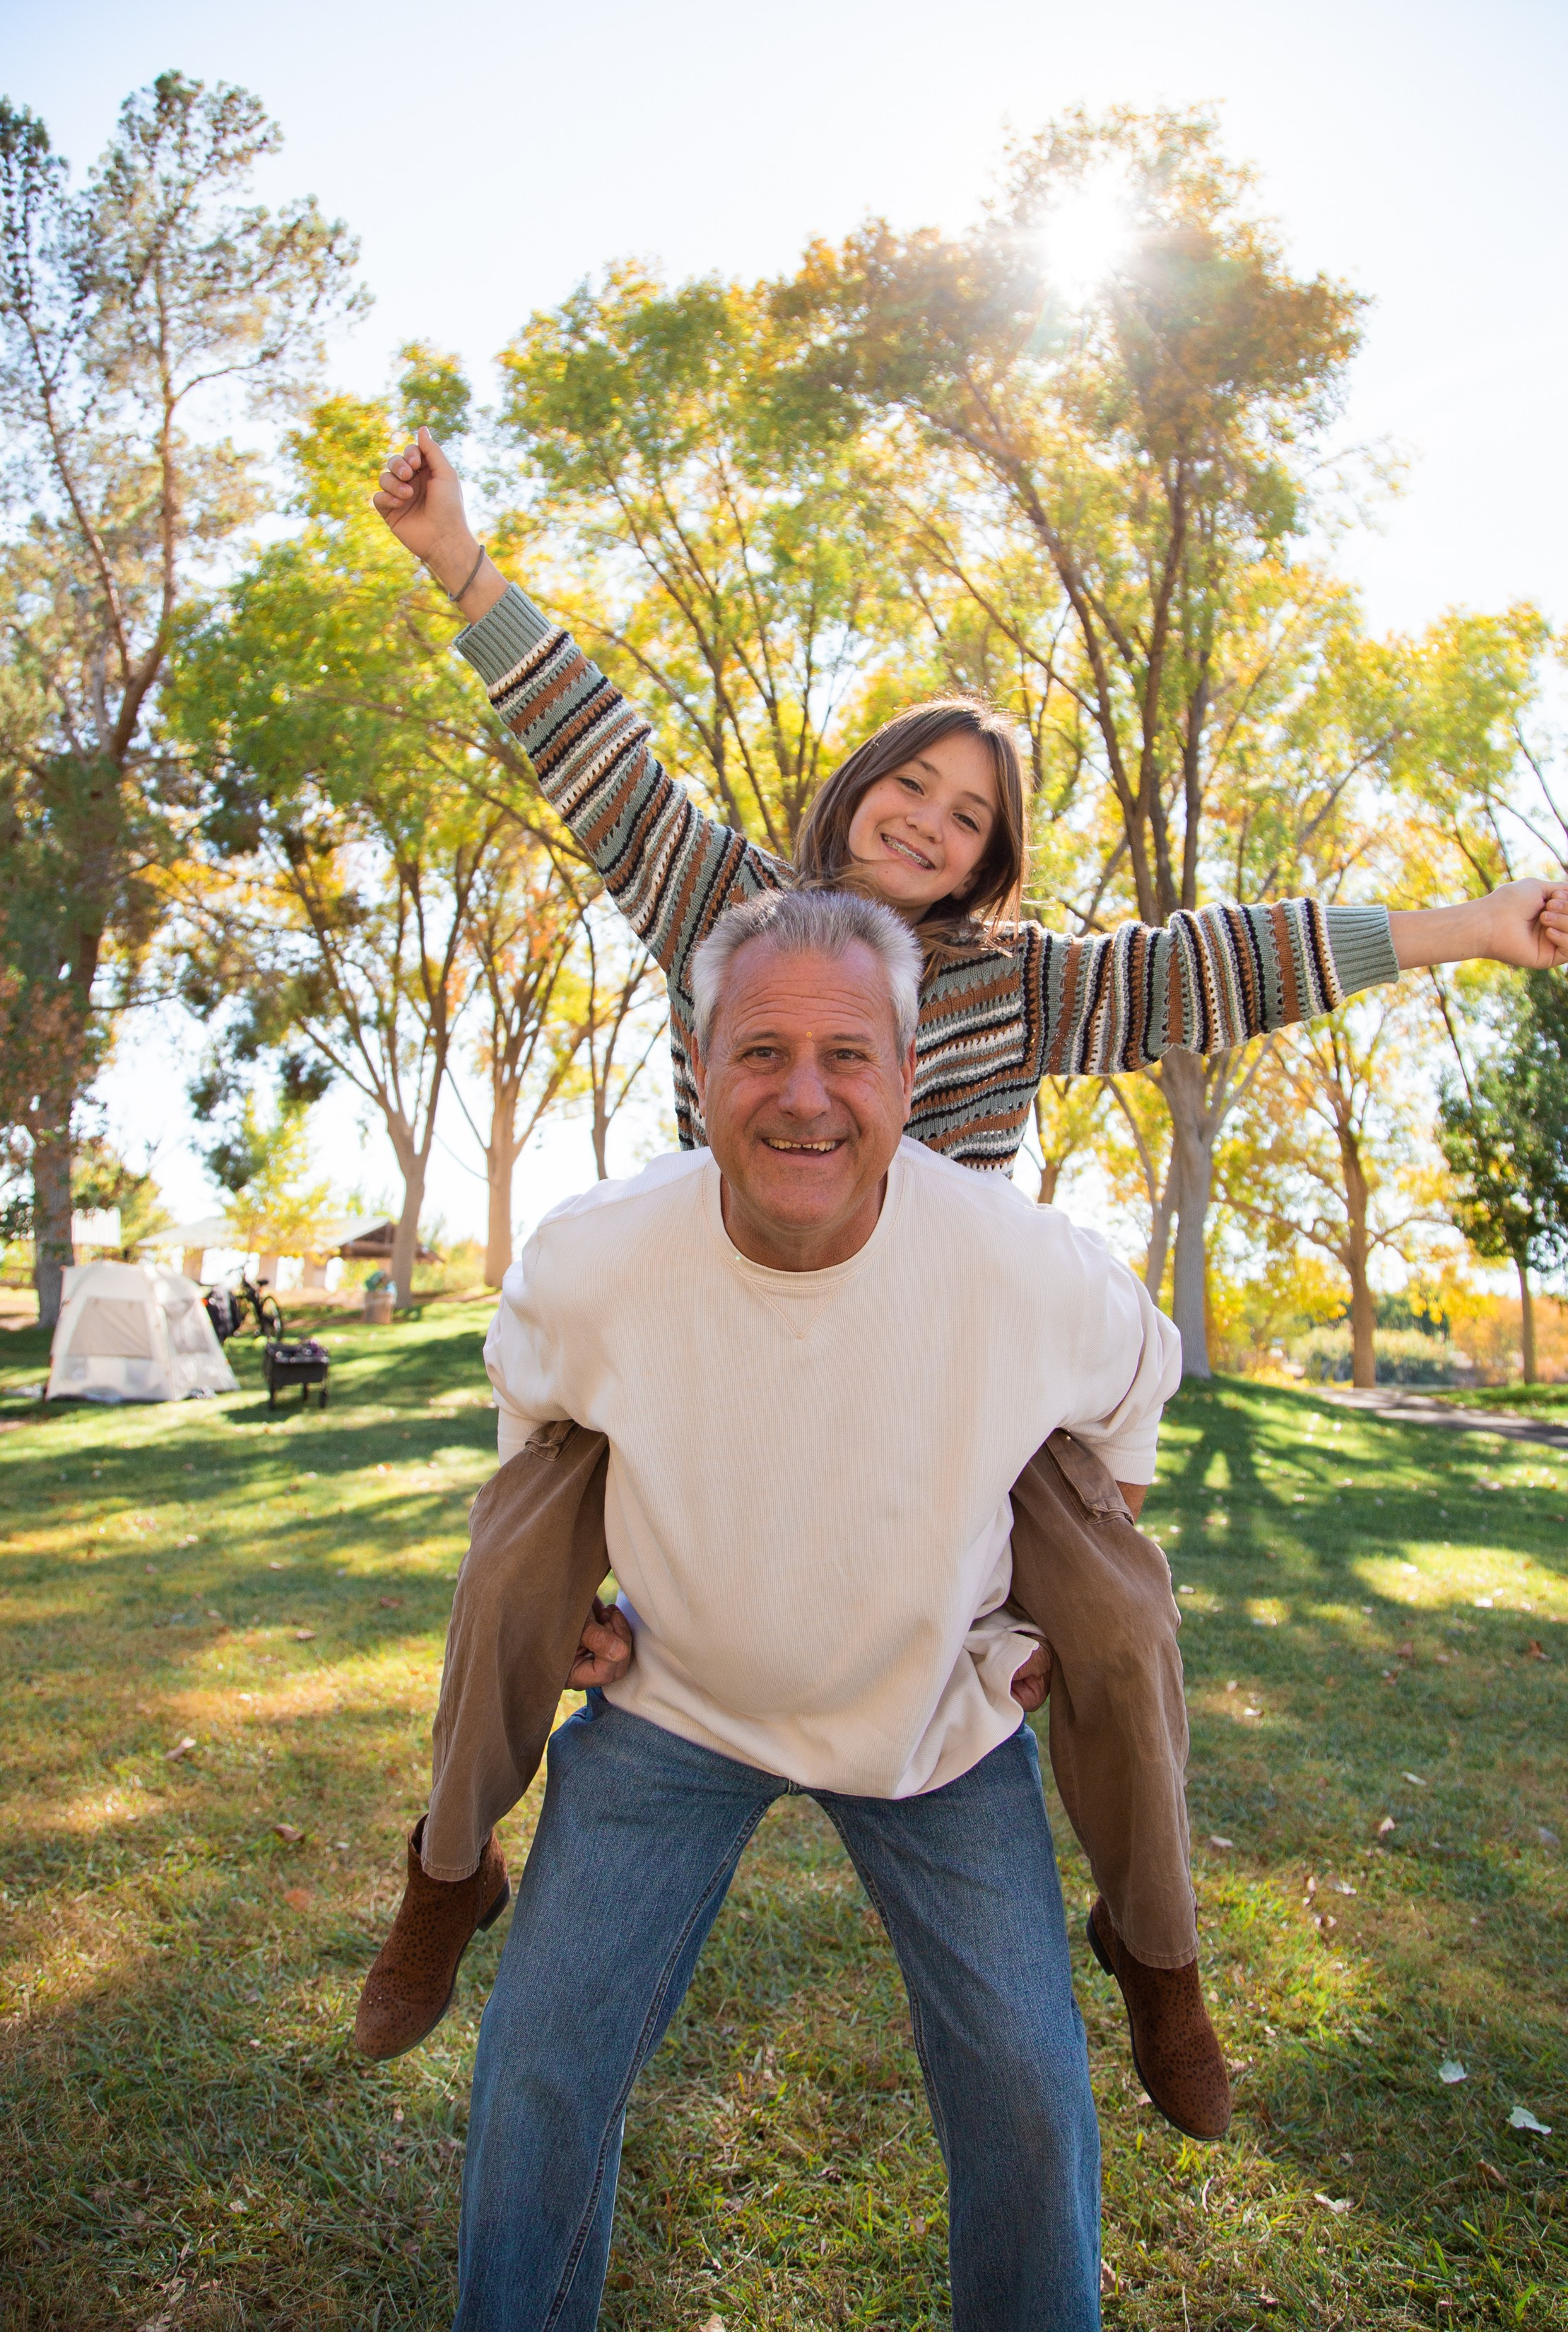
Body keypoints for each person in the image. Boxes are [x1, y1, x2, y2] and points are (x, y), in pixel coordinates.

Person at [358, 430, 1568, 2135]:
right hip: (716, 1330)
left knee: (1119, 1609)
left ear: (990, 861)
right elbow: (601, 763)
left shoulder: (1026, 990)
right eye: (905, 788)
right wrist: (458, 563)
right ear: (850, 793)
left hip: (930, 1367)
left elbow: (1227, 960)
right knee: (518, 1535)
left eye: (968, 815)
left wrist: (1469, 924)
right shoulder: (731, 908)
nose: (925, 823)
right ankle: (448, 1868)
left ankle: (1157, 1958)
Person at [450, 888, 1181, 2330]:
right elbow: (532, 1425)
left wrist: (1034, 1618)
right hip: (675, 1704)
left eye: (848, 1056)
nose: (804, 1096)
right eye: (760, 1052)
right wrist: (570, 1601)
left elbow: (1129, 1412)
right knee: (538, 2064)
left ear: (910, 1080)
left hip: (932, 1728)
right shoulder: (599, 1258)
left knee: (1030, 2090)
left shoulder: (1018, 1266)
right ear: (700, 1064)